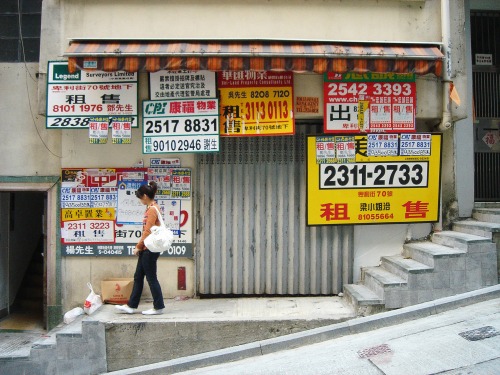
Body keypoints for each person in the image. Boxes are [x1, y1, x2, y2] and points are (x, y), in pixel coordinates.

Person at [116, 181, 165, 315]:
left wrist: (138, 246)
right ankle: (131, 305)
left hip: (149, 249)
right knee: (138, 276)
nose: (139, 200)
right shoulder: (151, 208)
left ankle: (158, 306)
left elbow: (147, 231)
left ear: (144, 195)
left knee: (151, 278)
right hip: (147, 249)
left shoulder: (152, 210)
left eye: (139, 197)